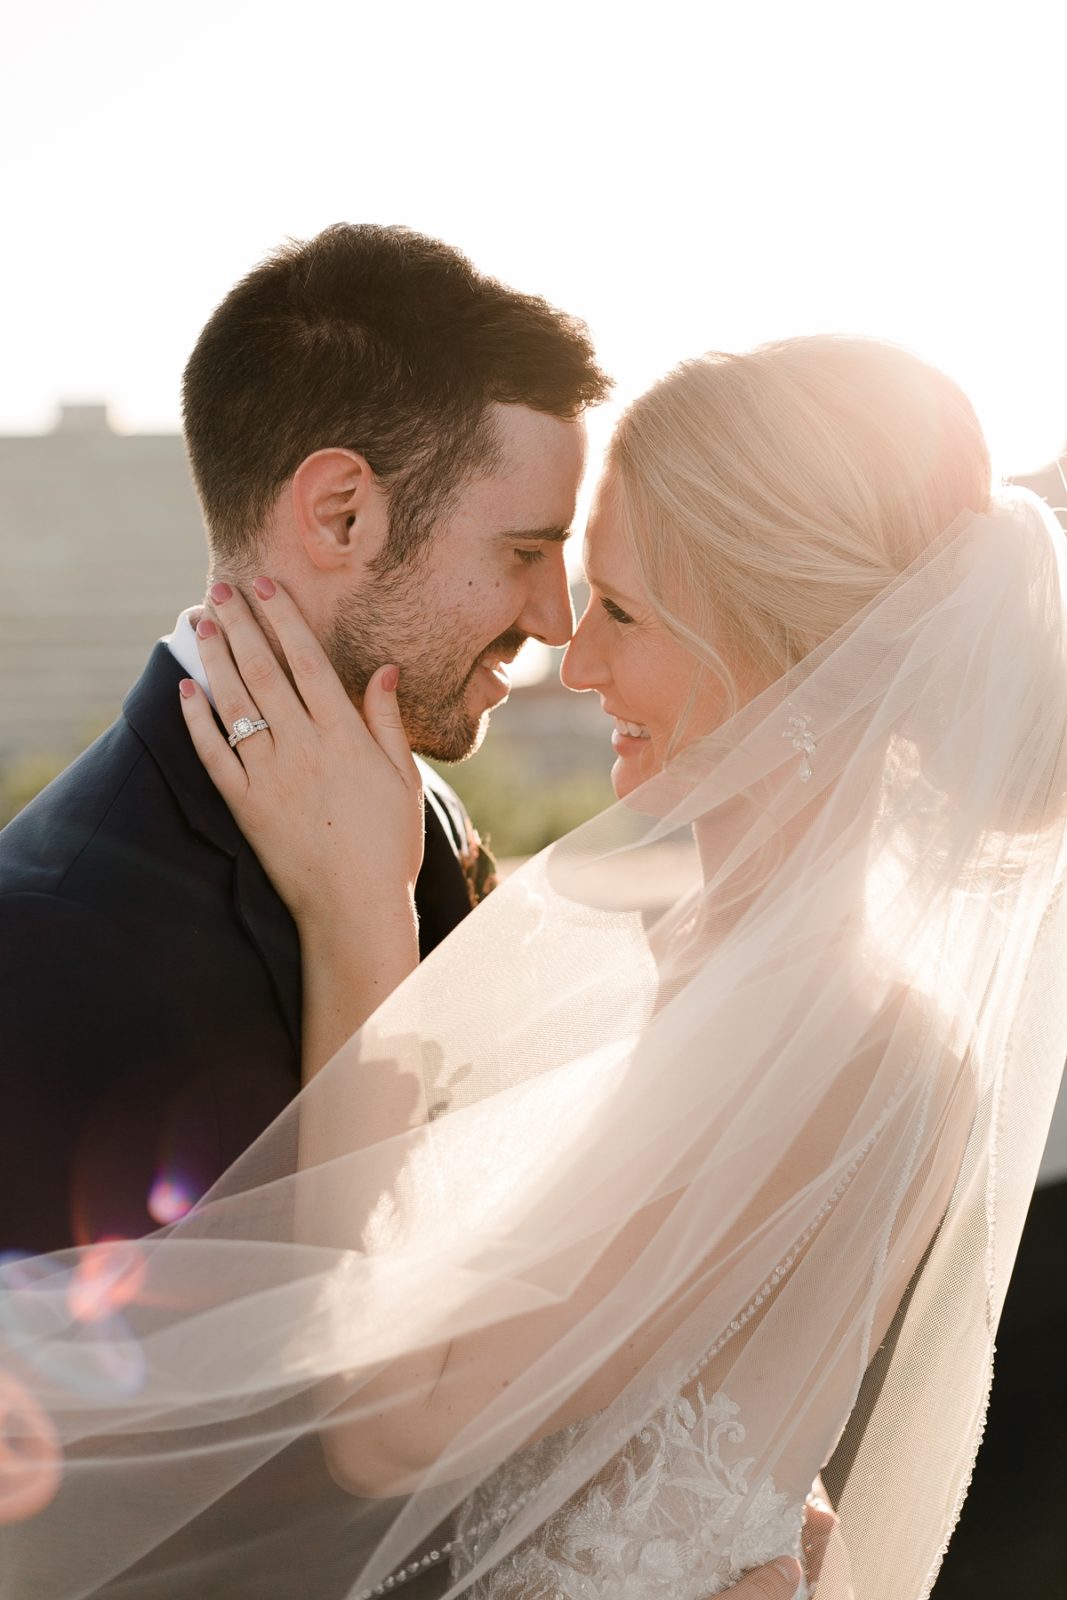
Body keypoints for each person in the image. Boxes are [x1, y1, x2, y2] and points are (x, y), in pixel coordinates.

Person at [0, 227, 811, 1600]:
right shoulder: (44, 940)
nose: (553, 619)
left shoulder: (422, 821)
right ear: (340, 515)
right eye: (522, 550)